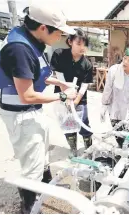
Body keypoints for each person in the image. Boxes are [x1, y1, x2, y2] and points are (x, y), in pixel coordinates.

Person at [0, 3, 76, 213]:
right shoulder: (19, 48)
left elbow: (36, 73)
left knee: (43, 154)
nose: (61, 37)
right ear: (42, 28)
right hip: (21, 115)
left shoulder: (31, 40)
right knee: (32, 165)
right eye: (58, 32)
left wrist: (60, 84)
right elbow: (27, 95)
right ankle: (30, 206)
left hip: (32, 112)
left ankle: (46, 187)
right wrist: (64, 95)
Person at [50, 28, 93, 158]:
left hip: (79, 99)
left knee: (83, 124)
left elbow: (85, 85)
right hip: (63, 96)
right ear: (70, 42)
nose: (82, 47)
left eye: (84, 44)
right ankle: (73, 149)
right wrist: (67, 98)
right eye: (78, 44)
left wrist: (75, 100)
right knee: (68, 123)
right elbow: (59, 78)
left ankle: (89, 150)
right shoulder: (59, 54)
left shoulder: (87, 64)